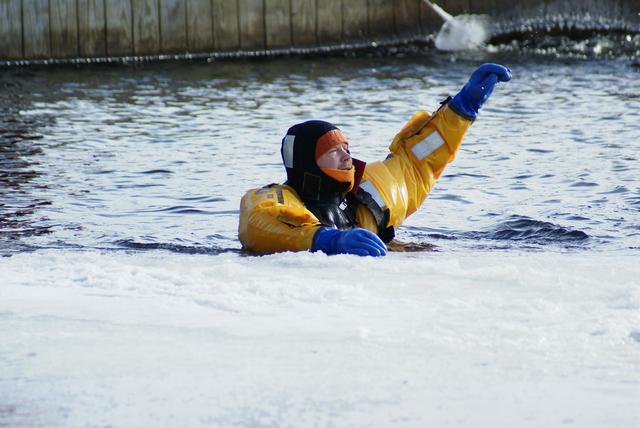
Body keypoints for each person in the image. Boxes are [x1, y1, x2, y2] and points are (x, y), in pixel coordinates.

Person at [239, 63, 511, 256]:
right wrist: (328, 240)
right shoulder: (272, 200)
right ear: (307, 163)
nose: (347, 156)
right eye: (334, 152)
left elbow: (416, 164)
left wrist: (461, 109)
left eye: (346, 148)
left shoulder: (364, 193)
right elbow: (259, 225)